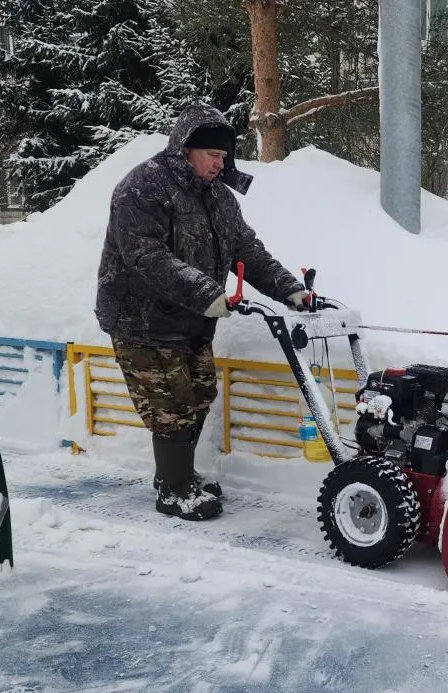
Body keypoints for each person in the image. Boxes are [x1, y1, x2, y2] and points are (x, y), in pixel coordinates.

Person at [94, 104, 311, 521]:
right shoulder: (143, 188)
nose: (220, 163)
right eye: (212, 154)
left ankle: (178, 476)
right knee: (170, 405)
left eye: (224, 156)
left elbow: (247, 251)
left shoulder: (220, 199)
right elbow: (146, 256)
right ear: (185, 148)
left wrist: (291, 291)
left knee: (197, 396)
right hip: (142, 319)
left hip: (193, 316)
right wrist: (207, 293)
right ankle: (173, 490)